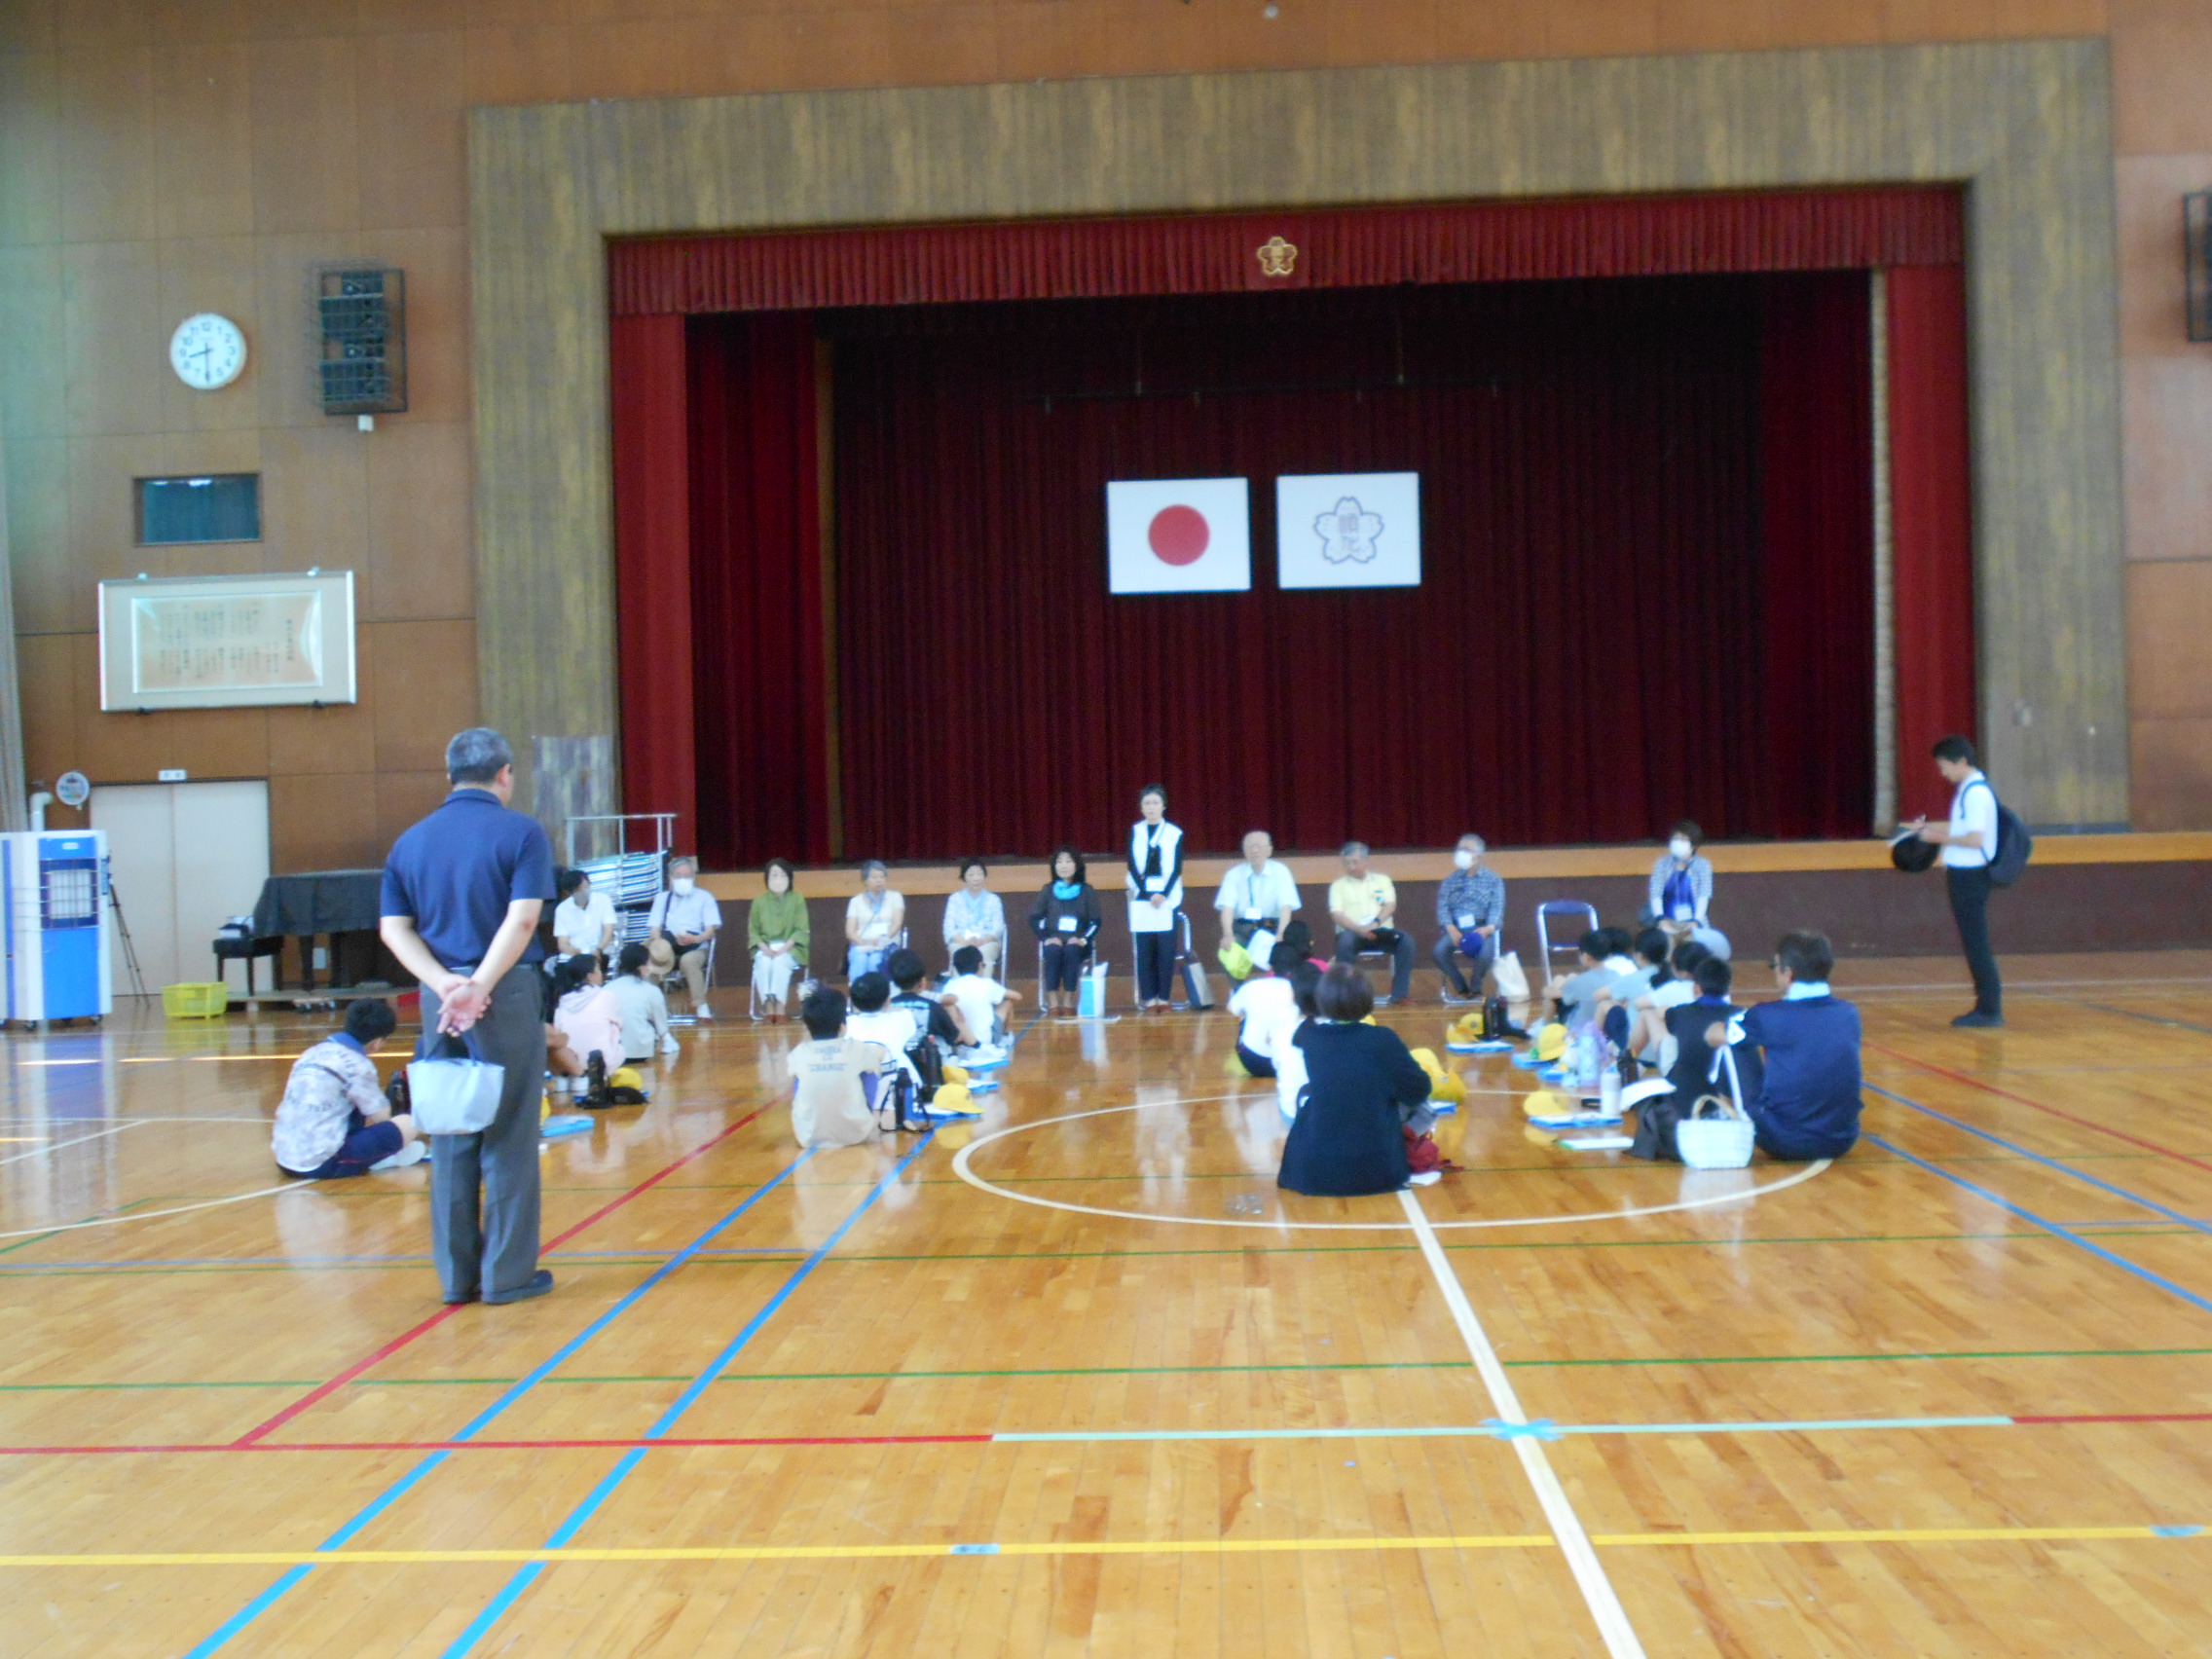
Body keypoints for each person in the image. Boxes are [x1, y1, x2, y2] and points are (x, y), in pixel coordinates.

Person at [379, 726, 558, 1307]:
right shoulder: (522, 833)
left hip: (440, 998)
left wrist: (444, 985)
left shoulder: (409, 842)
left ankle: (457, 1278)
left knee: (451, 1128)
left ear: (449, 774)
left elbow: (394, 930)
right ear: (504, 773)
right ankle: (506, 1276)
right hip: (503, 993)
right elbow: (522, 920)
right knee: (509, 1132)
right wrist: (480, 985)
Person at [1278, 964, 1435, 1196]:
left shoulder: (1310, 1038)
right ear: (1367, 999)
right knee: (1422, 1107)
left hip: (1313, 1172)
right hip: (1377, 1172)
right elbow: (1419, 1090)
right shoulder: (1382, 1038)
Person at [1704, 930, 1861, 1161]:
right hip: (1843, 1140)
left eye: (1775, 966)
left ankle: (1724, 1116)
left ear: (1788, 972)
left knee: (1732, 1043)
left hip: (1785, 1141)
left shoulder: (1768, 1015)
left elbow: (1712, 1035)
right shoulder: (1849, 1013)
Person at [1908, 734, 2005, 1028]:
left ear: (1961, 761)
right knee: (1973, 941)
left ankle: (1989, 1009)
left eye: (1944, 766)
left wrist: (1937, 837)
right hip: (1964, 874)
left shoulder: (1975, 793)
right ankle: (1986, 1006)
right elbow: (1963, 828)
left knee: (1976, 942)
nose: (1942, 773)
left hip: (1971, 875)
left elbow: (1975, 839)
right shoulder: (1969, 790)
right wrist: (1929, 828)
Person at [272, 997, 424, 1177]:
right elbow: (382, 1117)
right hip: (323, 1163)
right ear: (376, 1042)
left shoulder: (311, 1053)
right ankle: (386, 1157)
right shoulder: (357, 1064)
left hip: (283, 1158)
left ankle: (380, 1156)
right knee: (408, 1123)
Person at [788, 986, 886, 1149]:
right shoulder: (856, 1048)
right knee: (870, 1070)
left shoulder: (799, 1052)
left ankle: (813, 1121)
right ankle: (862, 1118)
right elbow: (881, 1053)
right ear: (842, 1025)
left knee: (801, 1077)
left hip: (807, 1136)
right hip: (856, 1135)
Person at [1328, 841, 1414, 1007]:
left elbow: (1390, 905)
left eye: (1355, 862)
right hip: (1353, 932)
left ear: (1366, 861)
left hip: (1380, 931)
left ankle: (1399, 994)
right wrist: (1359, 929)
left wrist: (1375, 923)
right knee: (1345, 942)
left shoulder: (1382, 881)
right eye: (1347, 863)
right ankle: (1347, 994)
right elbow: (1337, 915)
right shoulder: (1338, 886)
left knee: (1406, 942)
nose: (1351, 867)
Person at [1126, 785, 1186, 1012]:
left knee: (1165, 950)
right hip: (1142, 895)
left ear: (1163, 806)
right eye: (1147, 803)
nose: (1151, 807)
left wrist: (1163, 893)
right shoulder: (1136, 831)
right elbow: (1132, 865)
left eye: (1155, 803)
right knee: (1145, 950)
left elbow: (1177, 868)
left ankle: (1164, 997)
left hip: (1167, 897)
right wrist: (1145, 892)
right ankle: (1149, 998)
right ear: (1141, 807)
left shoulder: (1174, 833)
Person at [1029, 846, 1102, 1016]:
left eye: (1068, 861)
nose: (1063, 865)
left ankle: (1069, 998)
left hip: (1078, 941)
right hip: (1053, 939)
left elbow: (1095, 922)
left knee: (1071, 949)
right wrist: (1046, 938)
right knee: (1053, 950)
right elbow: (1035, 919)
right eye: (1059, 862)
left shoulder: (1087, 890)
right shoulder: (1048, 890)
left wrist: (1083, 939)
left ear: (1077, 865)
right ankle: (1053, 999)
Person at [647, 856, 722, 1019]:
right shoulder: (662, 899)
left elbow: (710, 931)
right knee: (651, 958)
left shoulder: (705, 898)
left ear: (694, 877)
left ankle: (701, 1006)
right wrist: (659, 945)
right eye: (678, 876)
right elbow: (654, 928)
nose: (683, 880)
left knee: (688, 961)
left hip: (696, 944)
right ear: (670, 878)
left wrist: (695, 939)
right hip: (668, 943)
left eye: (687, 876)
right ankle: (650, 1007)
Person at [1433, 833, 1504, 1005]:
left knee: (1486, 953)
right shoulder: (1450, 881)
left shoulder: (1493, 880)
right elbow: (1443, 908)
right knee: (1439, 951)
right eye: (1460, 849)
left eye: (1466, 849)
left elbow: (1497, 909)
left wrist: (1488, 929)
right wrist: (1451, 929)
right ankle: (1461, 988)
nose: (1461, 853)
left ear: (1478, 855)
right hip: (1456, 928)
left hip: (1483, 927)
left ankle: (1475, 987)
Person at [1216, 830, 1300, 966]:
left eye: (1259, 846)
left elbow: (1286, 906)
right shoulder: (1233, 874)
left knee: (1284, 951)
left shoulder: (1281, 871)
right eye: (1250, 847)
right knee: (1229, 950)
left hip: (1272, 926)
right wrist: (1227, 934)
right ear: (1244, 850)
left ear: (1269, 850)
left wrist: (1281, 934)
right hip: (1243, 928)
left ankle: (1276, 979)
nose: (1254, 851)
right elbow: (1227, 907)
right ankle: (1237, 982)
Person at [548, 955, 622, 1095]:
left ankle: (565, 1077)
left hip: (569, 1062)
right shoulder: (607, 995)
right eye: (598, 970)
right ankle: (598, 1073)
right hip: (600, 1063)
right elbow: (620, 1027)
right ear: (590, 976)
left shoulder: (562, 1000)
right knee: (615, 1030)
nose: (601, 973)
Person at [747, 859, 810, 1022]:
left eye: (783, 875)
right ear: (767, 878)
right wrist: (764, 948)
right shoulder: (759, 901)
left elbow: (801, 929)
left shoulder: (797, 899)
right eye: (774, 875)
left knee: (780, 962)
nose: (778, 879)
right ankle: (769, 1006)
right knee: (764, 963)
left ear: (789, 878)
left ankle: (780, 1006)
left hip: (791, 947)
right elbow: (753, 931)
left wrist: (784, 948)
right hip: (765, 947)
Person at [1229, 941, 1304, 1077]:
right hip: (1288, 1062)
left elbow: (1233, 1008)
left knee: (1244, 1019)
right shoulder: (1299, 991)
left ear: (1270, 965)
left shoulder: (1252, 986)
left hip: (1252, 1061)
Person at [604, 940, 674, 1067]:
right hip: (641, 1051)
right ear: (642, 967)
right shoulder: (652, 990)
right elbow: (662, 1027)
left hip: (611, 1051)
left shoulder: (607, 988)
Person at [1272, 960, 1324, 1124]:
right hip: (1332, 1119)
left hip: (1294, 1116)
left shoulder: (1282, 1033)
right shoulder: (1339, 1030)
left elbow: (1278, 1067)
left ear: (1294, 997)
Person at [947, 943, 1019, 1058]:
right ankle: (1005, 1037)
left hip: (959, 1040)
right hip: (986, 1040)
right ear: (980, 965)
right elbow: (1016, 996)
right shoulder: (986, 983)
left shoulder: (949, 985)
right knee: (1007, 1003)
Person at [943, 859, 1007, 980]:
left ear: (985, 876)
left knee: (984, 955)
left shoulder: (994, 900)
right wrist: (964, 942)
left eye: (979, 874)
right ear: (964, 877)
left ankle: (983, 990)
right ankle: (959, 991)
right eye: (971, 875)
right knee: (960, 955)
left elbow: (998, 928)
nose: (976, 878)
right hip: (961, 941)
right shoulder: (955, 899)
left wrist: (983, 940)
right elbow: (949, 928)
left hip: (987, 942)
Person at [844, 861, 905, 982]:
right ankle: (858, 991)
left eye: (882, 877)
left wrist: (882, 940)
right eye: (875, 877)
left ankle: (877, 992)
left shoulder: (895, 897)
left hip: (887, 943)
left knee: (875, 960)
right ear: (865, 880)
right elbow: (850, 931)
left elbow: (897, 923)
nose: (879, 880)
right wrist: (864, 943)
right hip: (862, 944)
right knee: (860, 960)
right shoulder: (855, 901)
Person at [550, 867, 616, 960]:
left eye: (586, 886)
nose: (585, 891)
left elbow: (609, 931)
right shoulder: (562, 909)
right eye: (579, 889)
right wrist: (581, 954)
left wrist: (598, 950)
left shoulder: (603, 900)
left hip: (602, 952)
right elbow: (562, 944)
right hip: (575, 956)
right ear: (569, 892)